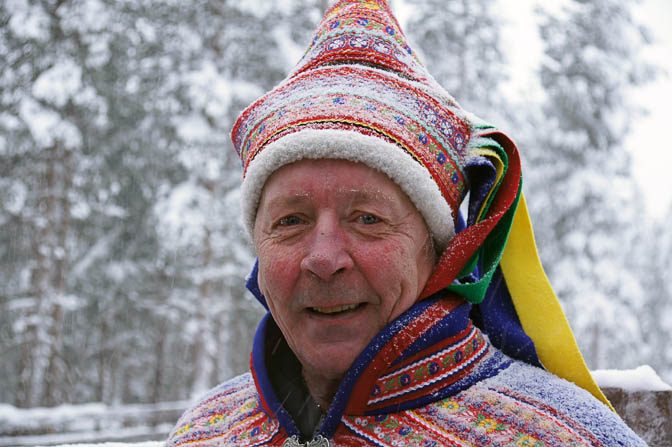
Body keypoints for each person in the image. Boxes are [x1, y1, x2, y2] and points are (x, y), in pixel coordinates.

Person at [166, 1, 647, 446]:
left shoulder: (563, 437)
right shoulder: (205, 432)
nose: (324, 259)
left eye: (368, 219)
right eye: (290, 221)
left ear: (439, 251)